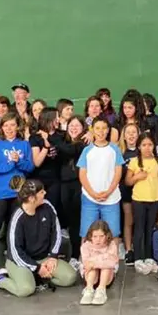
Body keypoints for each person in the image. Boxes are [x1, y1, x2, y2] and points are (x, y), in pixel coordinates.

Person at [0, 177, 77, 297]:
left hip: (44, 258)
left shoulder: (47, 206)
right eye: (41, 192)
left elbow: (56, 232)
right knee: (26, 290)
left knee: (70, 277)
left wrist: (53, 257)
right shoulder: (17, 218)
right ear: (31, 198)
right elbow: (15, 252)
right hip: (20, 261)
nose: (45, 193)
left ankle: (36, 276)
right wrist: (37, 268)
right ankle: (0, 279)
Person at [0, 113, 35, 282]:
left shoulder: (24, 145)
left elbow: (30, 167)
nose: (9, 129)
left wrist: (19, 161)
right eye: (6, 126)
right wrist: (9, 164)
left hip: (18, 193)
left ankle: (15, 258)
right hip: (0, 193)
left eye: (12, 125)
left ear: (17, 127)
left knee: (16, 226)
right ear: (1, 128)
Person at [78, 118, 124, 253]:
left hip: (111, 199)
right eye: (97, 128)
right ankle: (86, 262)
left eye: (104, 128)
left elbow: (118, 172)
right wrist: (92, 193)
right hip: (89, 199)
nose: (101, 131)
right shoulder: (87, 150)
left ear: (108, 130)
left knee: (113, 231)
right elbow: (82, 174)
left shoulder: (114, 149)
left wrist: (109, 191)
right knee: (86, 231)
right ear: (92, 129)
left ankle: (112, 263)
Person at [127, 133, 158, 274]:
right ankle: (138, 258)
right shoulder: (135, 161)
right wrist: (137, 176)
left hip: (154, 200)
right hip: (139, 200)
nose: (147, 148)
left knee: (150, 229)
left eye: (150, 145)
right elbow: (127, 181)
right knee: (139, 229)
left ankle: (148, 257)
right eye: (144, 145)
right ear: (139, 147)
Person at [61, 115, 87, 270]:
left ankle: (76, 255)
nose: (74, 128)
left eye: (77, 125)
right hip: (64, 184)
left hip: (79, 184)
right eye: (71, 125)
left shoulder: (84, 143)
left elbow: (72, 150)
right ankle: (69, 253)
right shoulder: (62, 141)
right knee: (69, 221)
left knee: (77, 221)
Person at [79, 220, 119, 305]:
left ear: (107, 235)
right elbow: (86, 263)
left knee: (106, 266)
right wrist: (98, 261)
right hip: (90, 277)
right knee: (93, 268)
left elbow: (112, 262)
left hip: (106, 277)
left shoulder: (111, 245)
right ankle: (89, 289)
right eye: (95, 236)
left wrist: (94, 263)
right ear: (90, 236)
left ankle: (101, 291)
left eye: (101, 236)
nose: (98, 239)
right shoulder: (85, 246)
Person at [119, 123, 140, 262]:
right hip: (126, 191)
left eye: (134, 132)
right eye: (128, 132)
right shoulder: (121, 153)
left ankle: (140, 248)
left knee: (140, 220)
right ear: (124, 136)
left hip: (142, 192)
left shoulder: (143, 151)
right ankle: (128, 249)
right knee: (129, 220)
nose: (131, 135)